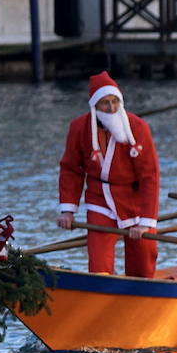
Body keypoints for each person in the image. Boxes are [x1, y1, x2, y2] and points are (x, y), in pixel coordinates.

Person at [57, 71, 160, 277]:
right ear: (94, 105)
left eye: (115, 102)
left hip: (135, 200)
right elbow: (71, 169)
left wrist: (145, 222)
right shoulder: (79, 127)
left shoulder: (138, 127)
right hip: (99, 198)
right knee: (98, 263)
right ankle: (103, 295)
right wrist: (68, 210)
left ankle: (142, 295)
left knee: (144, 257)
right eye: (105, 103)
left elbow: (150, 176)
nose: (111, 108)